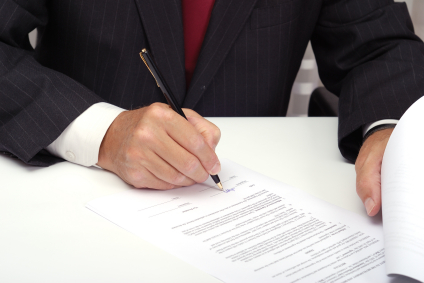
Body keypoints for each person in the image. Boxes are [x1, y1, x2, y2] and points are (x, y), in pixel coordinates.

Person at [0, 0, 423, 218]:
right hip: (69, 197)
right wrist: (104, 131)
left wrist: (389, 131)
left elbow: (380, 46)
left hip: (244, 208)